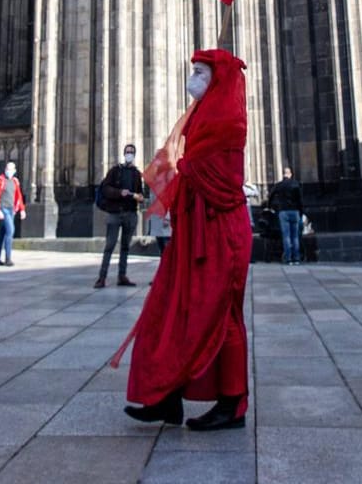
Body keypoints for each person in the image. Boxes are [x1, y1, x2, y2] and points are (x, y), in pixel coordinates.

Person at [121, 50, 254, 431]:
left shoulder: (228, 118)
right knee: (172, 309)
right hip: (194, 231)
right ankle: (165, 397)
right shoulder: (201, 114)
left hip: (220, 234)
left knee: (221, 316)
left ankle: (232, 404)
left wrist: (184, 167)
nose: (192, 77)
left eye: (200, 71)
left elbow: (221, 181)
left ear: (218, 79)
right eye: (192, 70)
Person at [95, 144, 145, 288]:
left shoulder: (136, 174)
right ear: (124, 154)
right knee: (109, 246)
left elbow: (140, 192)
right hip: (115, 214)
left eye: (131, 152)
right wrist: (119, 193)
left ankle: (122, 276)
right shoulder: (115, 171)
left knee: (125, 247)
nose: (129, 154)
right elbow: (105, 189)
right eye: (127, 152)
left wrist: (140, 197)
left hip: (130, 213)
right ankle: (102, 277)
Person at [0, 159, 24, 266]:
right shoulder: (0, 181)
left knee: (3, 234)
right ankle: (8, 258)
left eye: (11, 169)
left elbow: (19, 196)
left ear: (14, 170)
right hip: (3, 209)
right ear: (5, 169)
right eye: (8, 169)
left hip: (11, 210)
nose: (9, 171)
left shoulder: (15, 182)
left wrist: (22, 209)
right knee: (10, 231)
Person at [268, 166, 303, 265]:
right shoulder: (296, 184)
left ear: (283, 174)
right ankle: (296, 258)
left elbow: (271, 195)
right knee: (295, 236)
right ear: (290, 174)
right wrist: (301, 211)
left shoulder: (279, 185)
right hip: (295, 211)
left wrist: (270, 207)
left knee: (286, 236)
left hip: (283, 211)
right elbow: (300, 199)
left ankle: (288, 259)